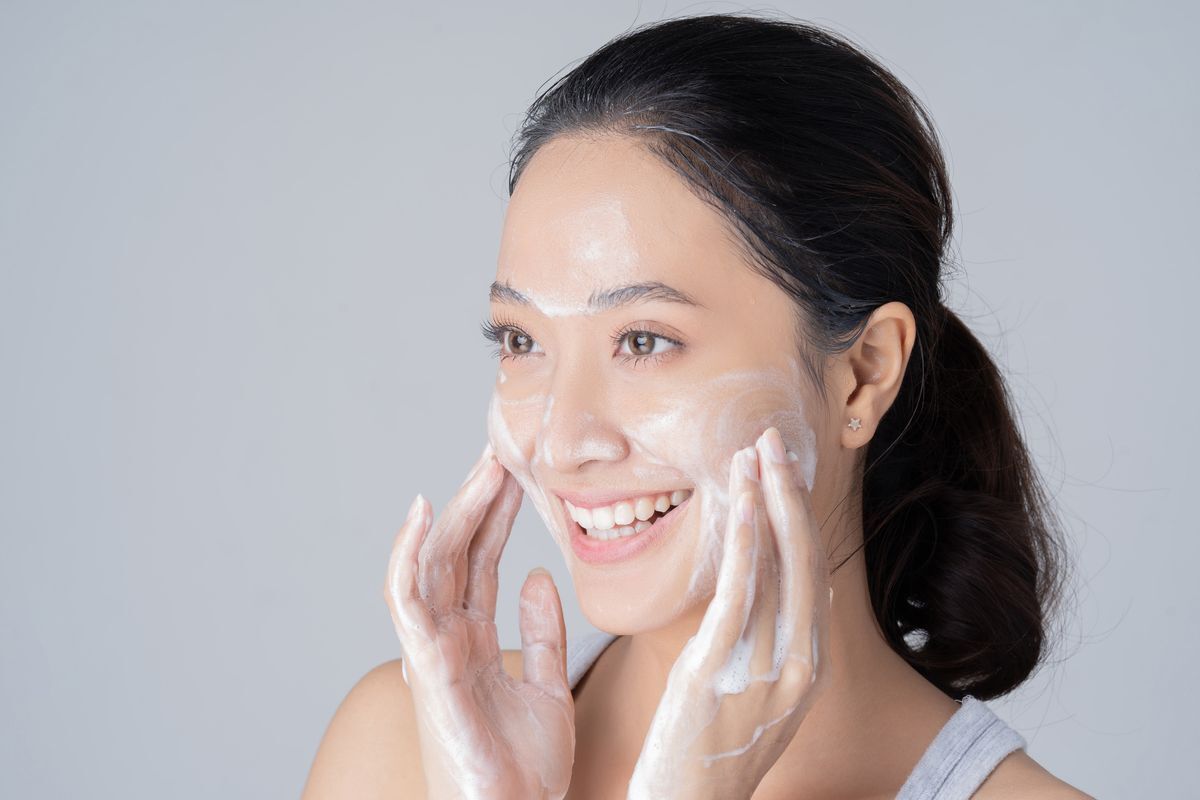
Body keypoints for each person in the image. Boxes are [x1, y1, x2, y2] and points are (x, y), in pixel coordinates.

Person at [303, 13, 1090, 799]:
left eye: (644, 341)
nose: (561, 439)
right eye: (520, 340)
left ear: (862, 373)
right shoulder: (408, 746)